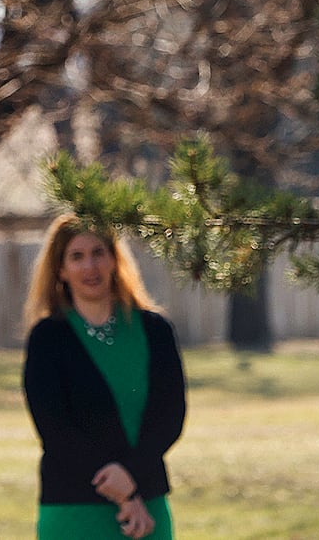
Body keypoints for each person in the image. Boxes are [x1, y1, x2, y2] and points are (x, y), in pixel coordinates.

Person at [22, 215, 187, 540]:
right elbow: (54, 428)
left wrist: (131, 475)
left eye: (98, 252)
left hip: (149, 504)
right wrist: (125, 494)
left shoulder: (156, 331)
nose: (90, 266)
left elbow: (170, 416)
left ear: (114, 259)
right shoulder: (48, 337)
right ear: (60, 270)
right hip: (73, 508)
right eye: (77, 256)